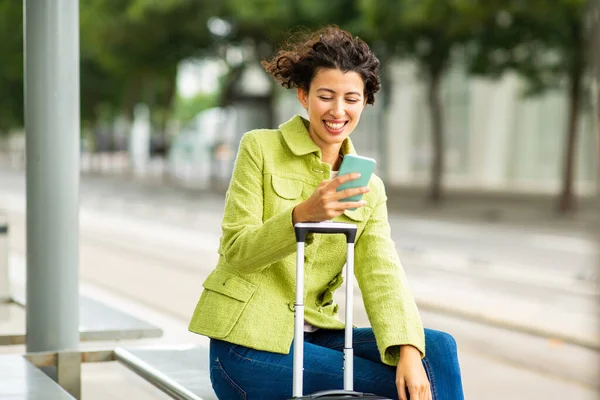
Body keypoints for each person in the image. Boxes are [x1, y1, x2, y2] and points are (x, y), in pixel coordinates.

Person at [188, 26, 464, 400]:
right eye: (325, 96)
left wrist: (408, 350)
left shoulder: (367, 186)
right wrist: (304, 214)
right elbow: (237, 251)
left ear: (365, 102)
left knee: (436, 350)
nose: (338, 111)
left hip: (318, 336)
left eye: (351, 98)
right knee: (401, 389)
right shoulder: (260, 148)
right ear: (303, 96)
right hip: (246, 346)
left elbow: (383, 274)